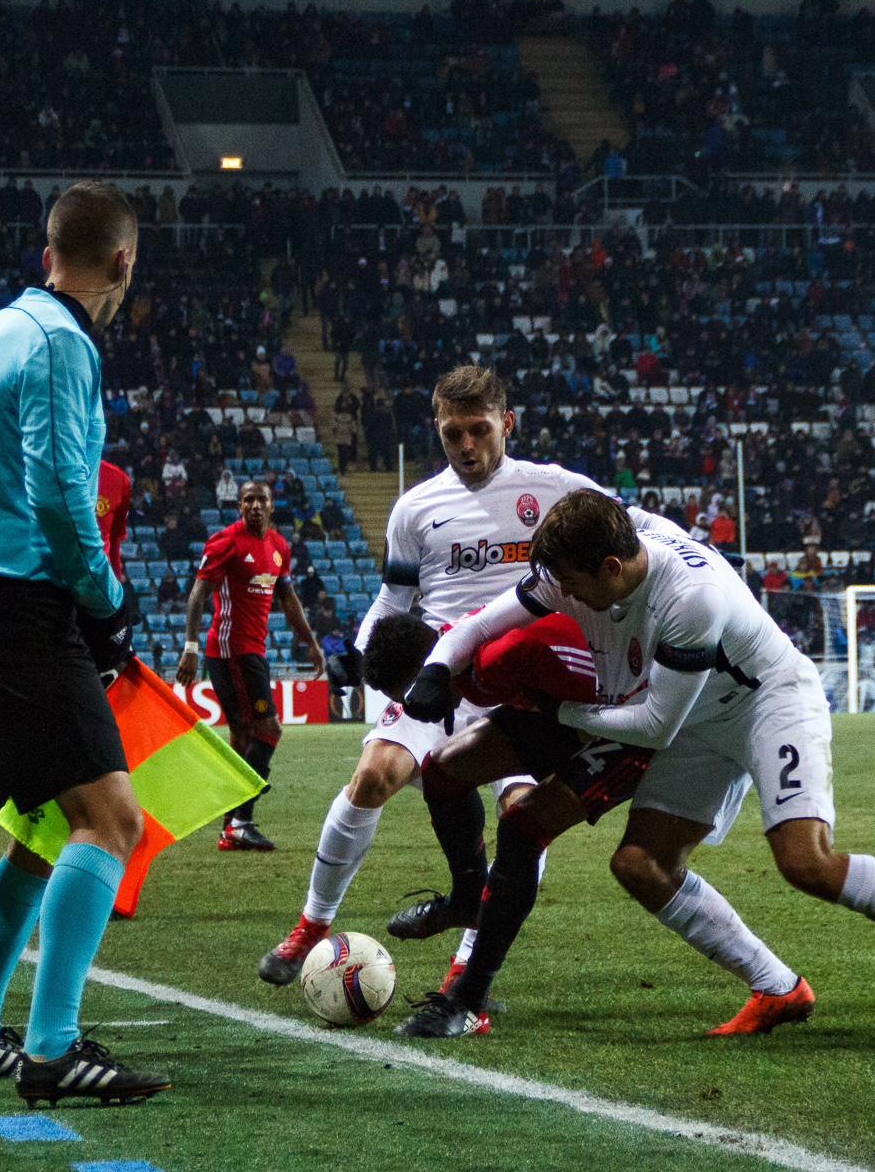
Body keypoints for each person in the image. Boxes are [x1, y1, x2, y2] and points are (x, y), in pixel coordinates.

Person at [396, 490, 875, 1041]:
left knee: (806, 861)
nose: (567, 599)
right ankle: (776, 987)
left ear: (613, 567)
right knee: (641, 864)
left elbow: (651, 727)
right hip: (689, 717)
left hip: (765, 701)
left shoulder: (690, 596)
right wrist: (435, 669)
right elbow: (483, 623)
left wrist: (556, 710)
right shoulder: (593, 553)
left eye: (577, 586)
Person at [256, 365, 683, 989]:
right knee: (372, 777)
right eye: (452, 433)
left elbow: (630, 536)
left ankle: (469, 963)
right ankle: (310, 926)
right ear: (438, 428)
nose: (465, 446)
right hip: (441, 674)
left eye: (478, 430)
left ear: (506, 423)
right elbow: (394, 598)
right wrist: (360, 649)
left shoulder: (557, 490)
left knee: (521, 813)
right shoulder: (416, 508)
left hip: (524, 683)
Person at [0, 179, 168, 1106]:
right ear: (122, 262)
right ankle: (52, 1047)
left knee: (42, 835)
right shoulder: (64, 343)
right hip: (26, 610)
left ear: (45, 252)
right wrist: (108, 601)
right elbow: (62, 496)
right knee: (112, 822)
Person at [367, 613, 800, 1038]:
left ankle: (466, 999)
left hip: (628, 711)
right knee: (442, 771)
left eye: (403, 694)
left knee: (524, 827)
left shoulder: (509, 654)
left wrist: (572, 738)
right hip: (566, 709)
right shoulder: (462, 654)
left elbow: (615, 687)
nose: (409, 708)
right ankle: (467, 901)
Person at [173, 479, 323, 851]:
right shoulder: (226, 541)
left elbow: (288, 600)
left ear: (272, 506)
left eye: (262, 500)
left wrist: (312, 643)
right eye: (248, 500)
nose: (255, 505)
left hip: (252, 649)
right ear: (239, 506)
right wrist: (190, 647)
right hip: (231, 650)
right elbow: (198, 593)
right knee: (268, 730)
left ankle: (231, 824)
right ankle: (241, 821)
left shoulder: (278, 547)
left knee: (242, 736)